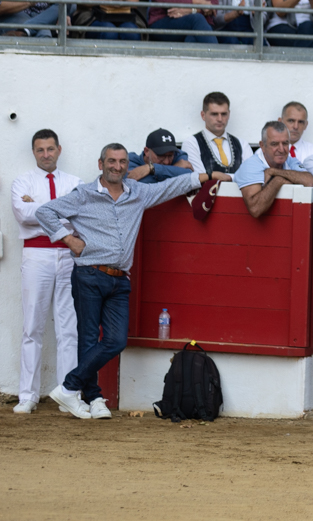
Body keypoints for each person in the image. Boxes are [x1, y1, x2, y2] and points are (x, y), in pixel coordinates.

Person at [38, 145, 213, 420]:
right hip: (89, 274)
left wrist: (206, 177)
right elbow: (45, 212)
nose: (117, 166)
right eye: (111, 161)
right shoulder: (83, 194)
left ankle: (69, 388)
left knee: (116, 340)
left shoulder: (138, 192)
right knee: (87, 338)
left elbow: (171, 187)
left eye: (121, 162)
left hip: (120, 279)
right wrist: (69, 239)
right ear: (100, 164)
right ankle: (94, 398)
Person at [11, 129, 83, 414]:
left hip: (68, 256)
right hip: (36, 254)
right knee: (32, 327)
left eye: (50, 149)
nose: (46, 154)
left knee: (68, 327)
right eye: (40, 150)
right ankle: (27, 395)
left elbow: (79, 215)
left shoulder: (75, 182)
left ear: (59, 149)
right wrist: (58, 212)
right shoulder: (22, 181)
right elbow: (22, 214)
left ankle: (67, 393)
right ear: (34, 152)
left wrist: (39, 208)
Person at [233, 120, 313, 217]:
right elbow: (255, 209)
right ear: (262, 146)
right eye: (274, 144)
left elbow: (309, 181)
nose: (281, 149)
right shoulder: (251, 165)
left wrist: (274, 172)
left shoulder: (290, 160)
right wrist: (278, 181)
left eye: (285, 143)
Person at [182, 91, 255, 181]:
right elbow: (199, 178)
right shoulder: (191, 143)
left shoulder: (242, 144)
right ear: (203, 115)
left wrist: (215, 176)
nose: (220, 119)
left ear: (229, 114)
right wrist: (238, 177)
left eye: (224, 114)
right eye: (214, 114)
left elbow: (252, 176)